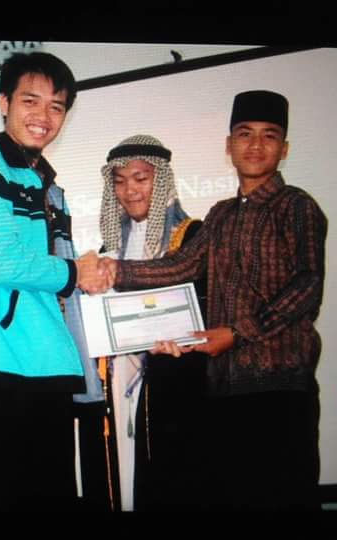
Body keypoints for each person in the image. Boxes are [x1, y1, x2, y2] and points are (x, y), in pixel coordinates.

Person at [101, 90, 328, 510]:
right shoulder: (221, 214)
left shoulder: (296, 205)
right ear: (229, 146)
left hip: (280, 388)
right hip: (223, 395)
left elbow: (307, 286)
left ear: (284, 148)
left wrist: (236, 333)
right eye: (244, 134)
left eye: (269, 135)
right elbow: (181, 265)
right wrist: (113, 271)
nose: (255, 145)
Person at [0, 51, 107, 511]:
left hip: (44, 365)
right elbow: (4, 262)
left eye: (57, 106)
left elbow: (61, 274)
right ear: (4, 103)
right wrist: (75, 273)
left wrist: (93, 274)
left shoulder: (47, 184)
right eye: (30, 101)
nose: (43, 116)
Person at [95, 134, 208, 511]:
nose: (130, 191)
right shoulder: (108, 252)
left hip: (176, 380)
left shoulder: (192, 237)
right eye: (120, 181)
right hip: (119, 383)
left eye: (141, 179)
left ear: (161, 181)